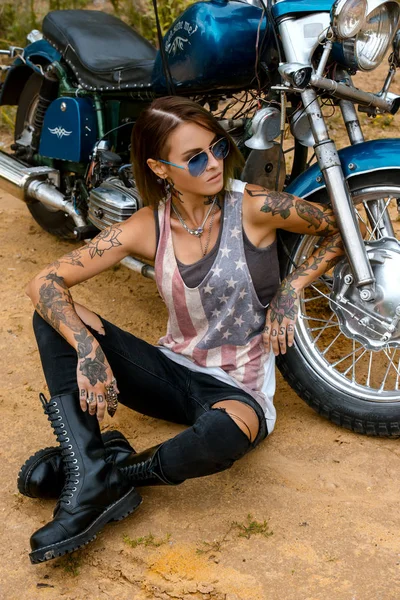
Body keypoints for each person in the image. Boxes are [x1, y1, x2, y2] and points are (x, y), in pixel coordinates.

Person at [19, 96, 345, 564]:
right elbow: (44, 281)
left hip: (237, 391)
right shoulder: (147, 227)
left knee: (225, 435)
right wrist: (88, 348)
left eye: (217, 147)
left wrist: (292, 287)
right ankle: (89, 467)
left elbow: (339, 226)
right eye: (195, 157)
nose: (214, 164)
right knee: (52, 313)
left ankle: (113, 474)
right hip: (169, 373)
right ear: (160, 168)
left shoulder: (253, 205)